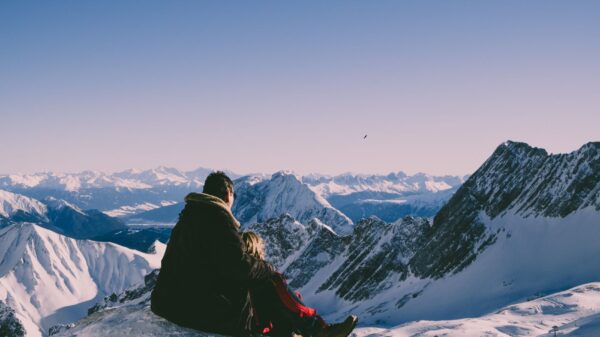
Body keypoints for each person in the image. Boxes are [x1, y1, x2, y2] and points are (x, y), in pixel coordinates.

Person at [151, 171, 357, 337]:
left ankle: (302, 330)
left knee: (259, 285)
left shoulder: (188, 218)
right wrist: (266, 268)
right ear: (227, 195)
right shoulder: (217, 217)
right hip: (198, 309)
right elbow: (238, 266)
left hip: (171, 303)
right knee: (269, 282)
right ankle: (316, 330)